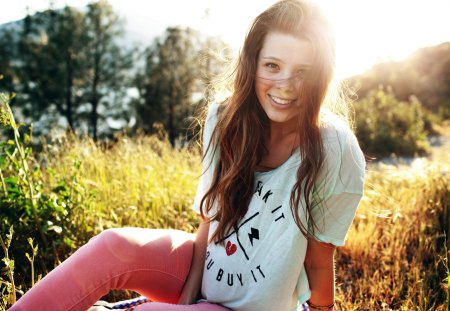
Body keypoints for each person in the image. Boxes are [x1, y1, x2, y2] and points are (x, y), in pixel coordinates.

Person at [9, 0, 365, 310]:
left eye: (302, 72)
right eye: (272, 66)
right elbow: (210, 221)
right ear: (252, 64)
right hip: (206, 272)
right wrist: (187, 300)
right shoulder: (225, 118)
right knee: (113, 245)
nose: (286, 85)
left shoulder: (334, 147)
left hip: (254, 306)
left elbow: (320, 259)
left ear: (321, 75)